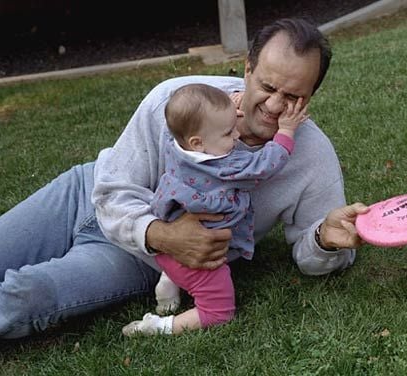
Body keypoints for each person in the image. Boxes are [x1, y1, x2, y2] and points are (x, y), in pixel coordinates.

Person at [0, 17, 368, 340]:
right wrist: (165, 234)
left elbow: (312, 254)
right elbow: (112, 188)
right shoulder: (175, 99)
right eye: (268, 88)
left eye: (293, 98)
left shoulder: (312, 156)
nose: (274, 106)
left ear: (311, 97)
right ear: (247, 69)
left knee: (25, 297)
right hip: (85, 191)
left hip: (139, 260)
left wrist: (325, 240)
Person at [122, 83, 309, 335]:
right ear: (198, 142)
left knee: (177, 269)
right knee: (219, 313)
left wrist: (221, 116)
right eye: (228, 132)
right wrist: (286, 130)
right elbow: (265, 164)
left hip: (167, 245)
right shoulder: (226, 166)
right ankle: (159, 326)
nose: (236, 136)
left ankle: (169, 281)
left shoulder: (175, 147)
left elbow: (191, 122)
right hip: (200, 256)